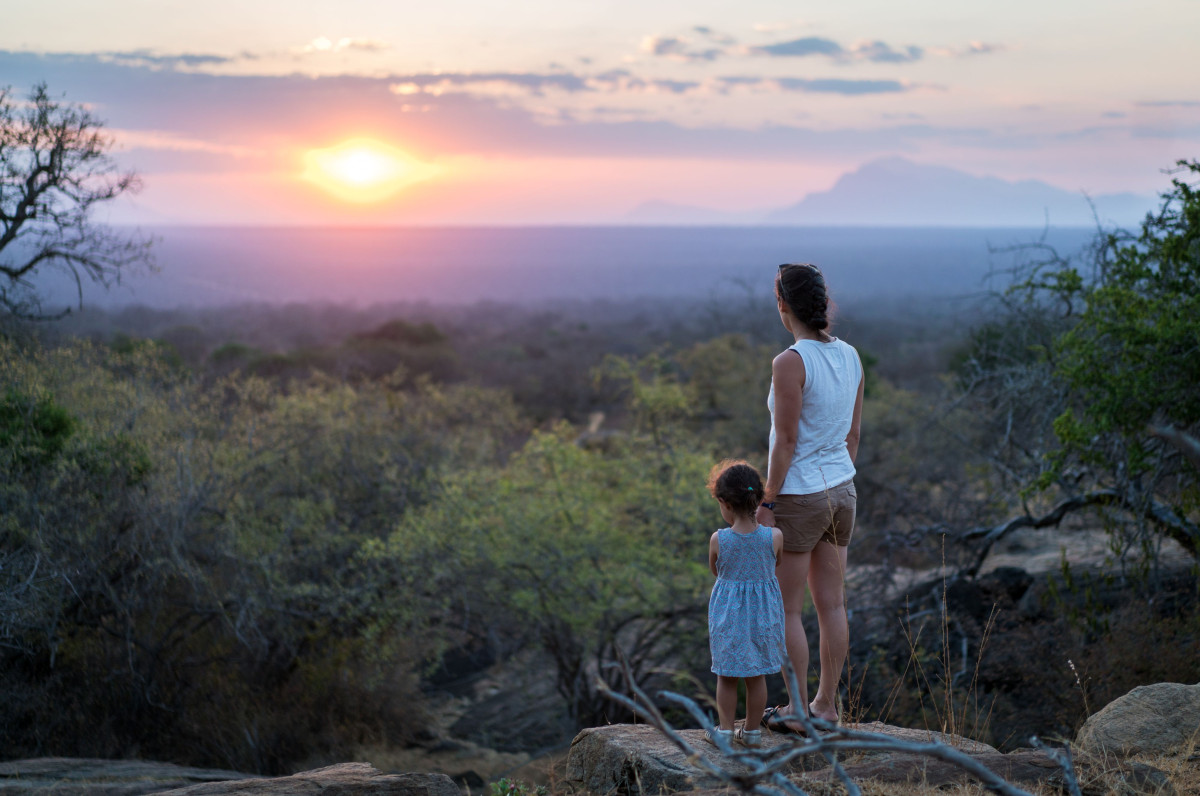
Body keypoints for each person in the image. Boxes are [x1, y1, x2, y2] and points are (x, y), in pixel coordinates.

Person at [755, 263, 864, 733]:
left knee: (786, 609)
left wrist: (767, 499)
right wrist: (838, 476)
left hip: (799, 495)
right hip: (843, 490)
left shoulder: (790, 361)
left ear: (782, 304)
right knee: (833, 605)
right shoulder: (851, 356)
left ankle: (798, 711)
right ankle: (826, 706)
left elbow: (785, 441)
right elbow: (853, 434)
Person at [705, 459, 786, 748]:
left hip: (728, 615)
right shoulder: (774, 537)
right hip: (764, 616)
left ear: (725, 502)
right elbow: (776, 564)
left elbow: (717, 570)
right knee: (756, 675)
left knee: (726, 676)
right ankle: (751, 732)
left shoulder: (719, 539)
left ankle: (725, 731)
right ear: (759, 498)